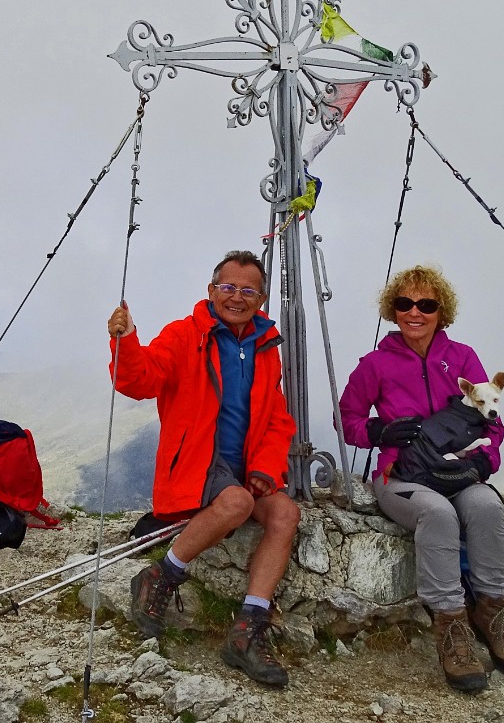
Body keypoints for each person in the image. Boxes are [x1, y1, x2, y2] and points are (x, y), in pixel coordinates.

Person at [107, 250, 300, 688]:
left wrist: (268, 467)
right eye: (228, 288)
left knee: (286, 513)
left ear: (261, 298)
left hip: (246, 465)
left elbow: (276, 417)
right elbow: (139, 381)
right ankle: (161, 575)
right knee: (236, 502)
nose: (237, 297)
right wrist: (125, 341)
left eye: (248, 290)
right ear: (211, 291)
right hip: (199, 461)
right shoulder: (184, 334)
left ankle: (248, 627)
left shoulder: (266, 348)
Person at [340, 264, 504, 693]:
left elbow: (490, 419)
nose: (415, 312)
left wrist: (487, 462)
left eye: (426, 304)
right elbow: (347, 417)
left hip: (460, 471)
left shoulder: (462, 358)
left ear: (441, 312)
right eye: (405, 303)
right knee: (438, 514)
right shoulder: (375, 365)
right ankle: (451, 627)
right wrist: (377, 433)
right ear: (393, 310)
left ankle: (495, 613)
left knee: (486, 505)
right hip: (401, 475)